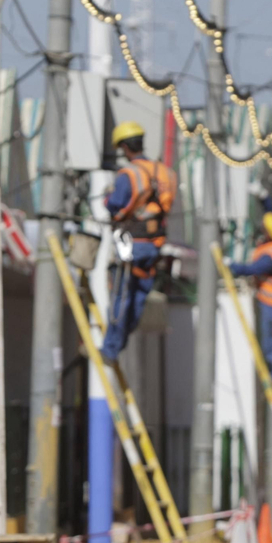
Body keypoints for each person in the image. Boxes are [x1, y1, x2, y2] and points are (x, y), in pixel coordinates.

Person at [101, 121, 177, 362]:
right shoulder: (166, 172)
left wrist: (107, 199)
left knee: (120, 295)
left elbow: (115, 205)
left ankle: (111, 348)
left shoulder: (129, 175)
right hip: (154, 245)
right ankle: (121, 342)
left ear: (124, 146)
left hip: (130, 243)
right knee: (138, 296)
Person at [229, 202, 272, 386]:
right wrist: (266, 200)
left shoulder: (271, 255)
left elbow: (253, 269)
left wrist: (232, 265)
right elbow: (271, 215)